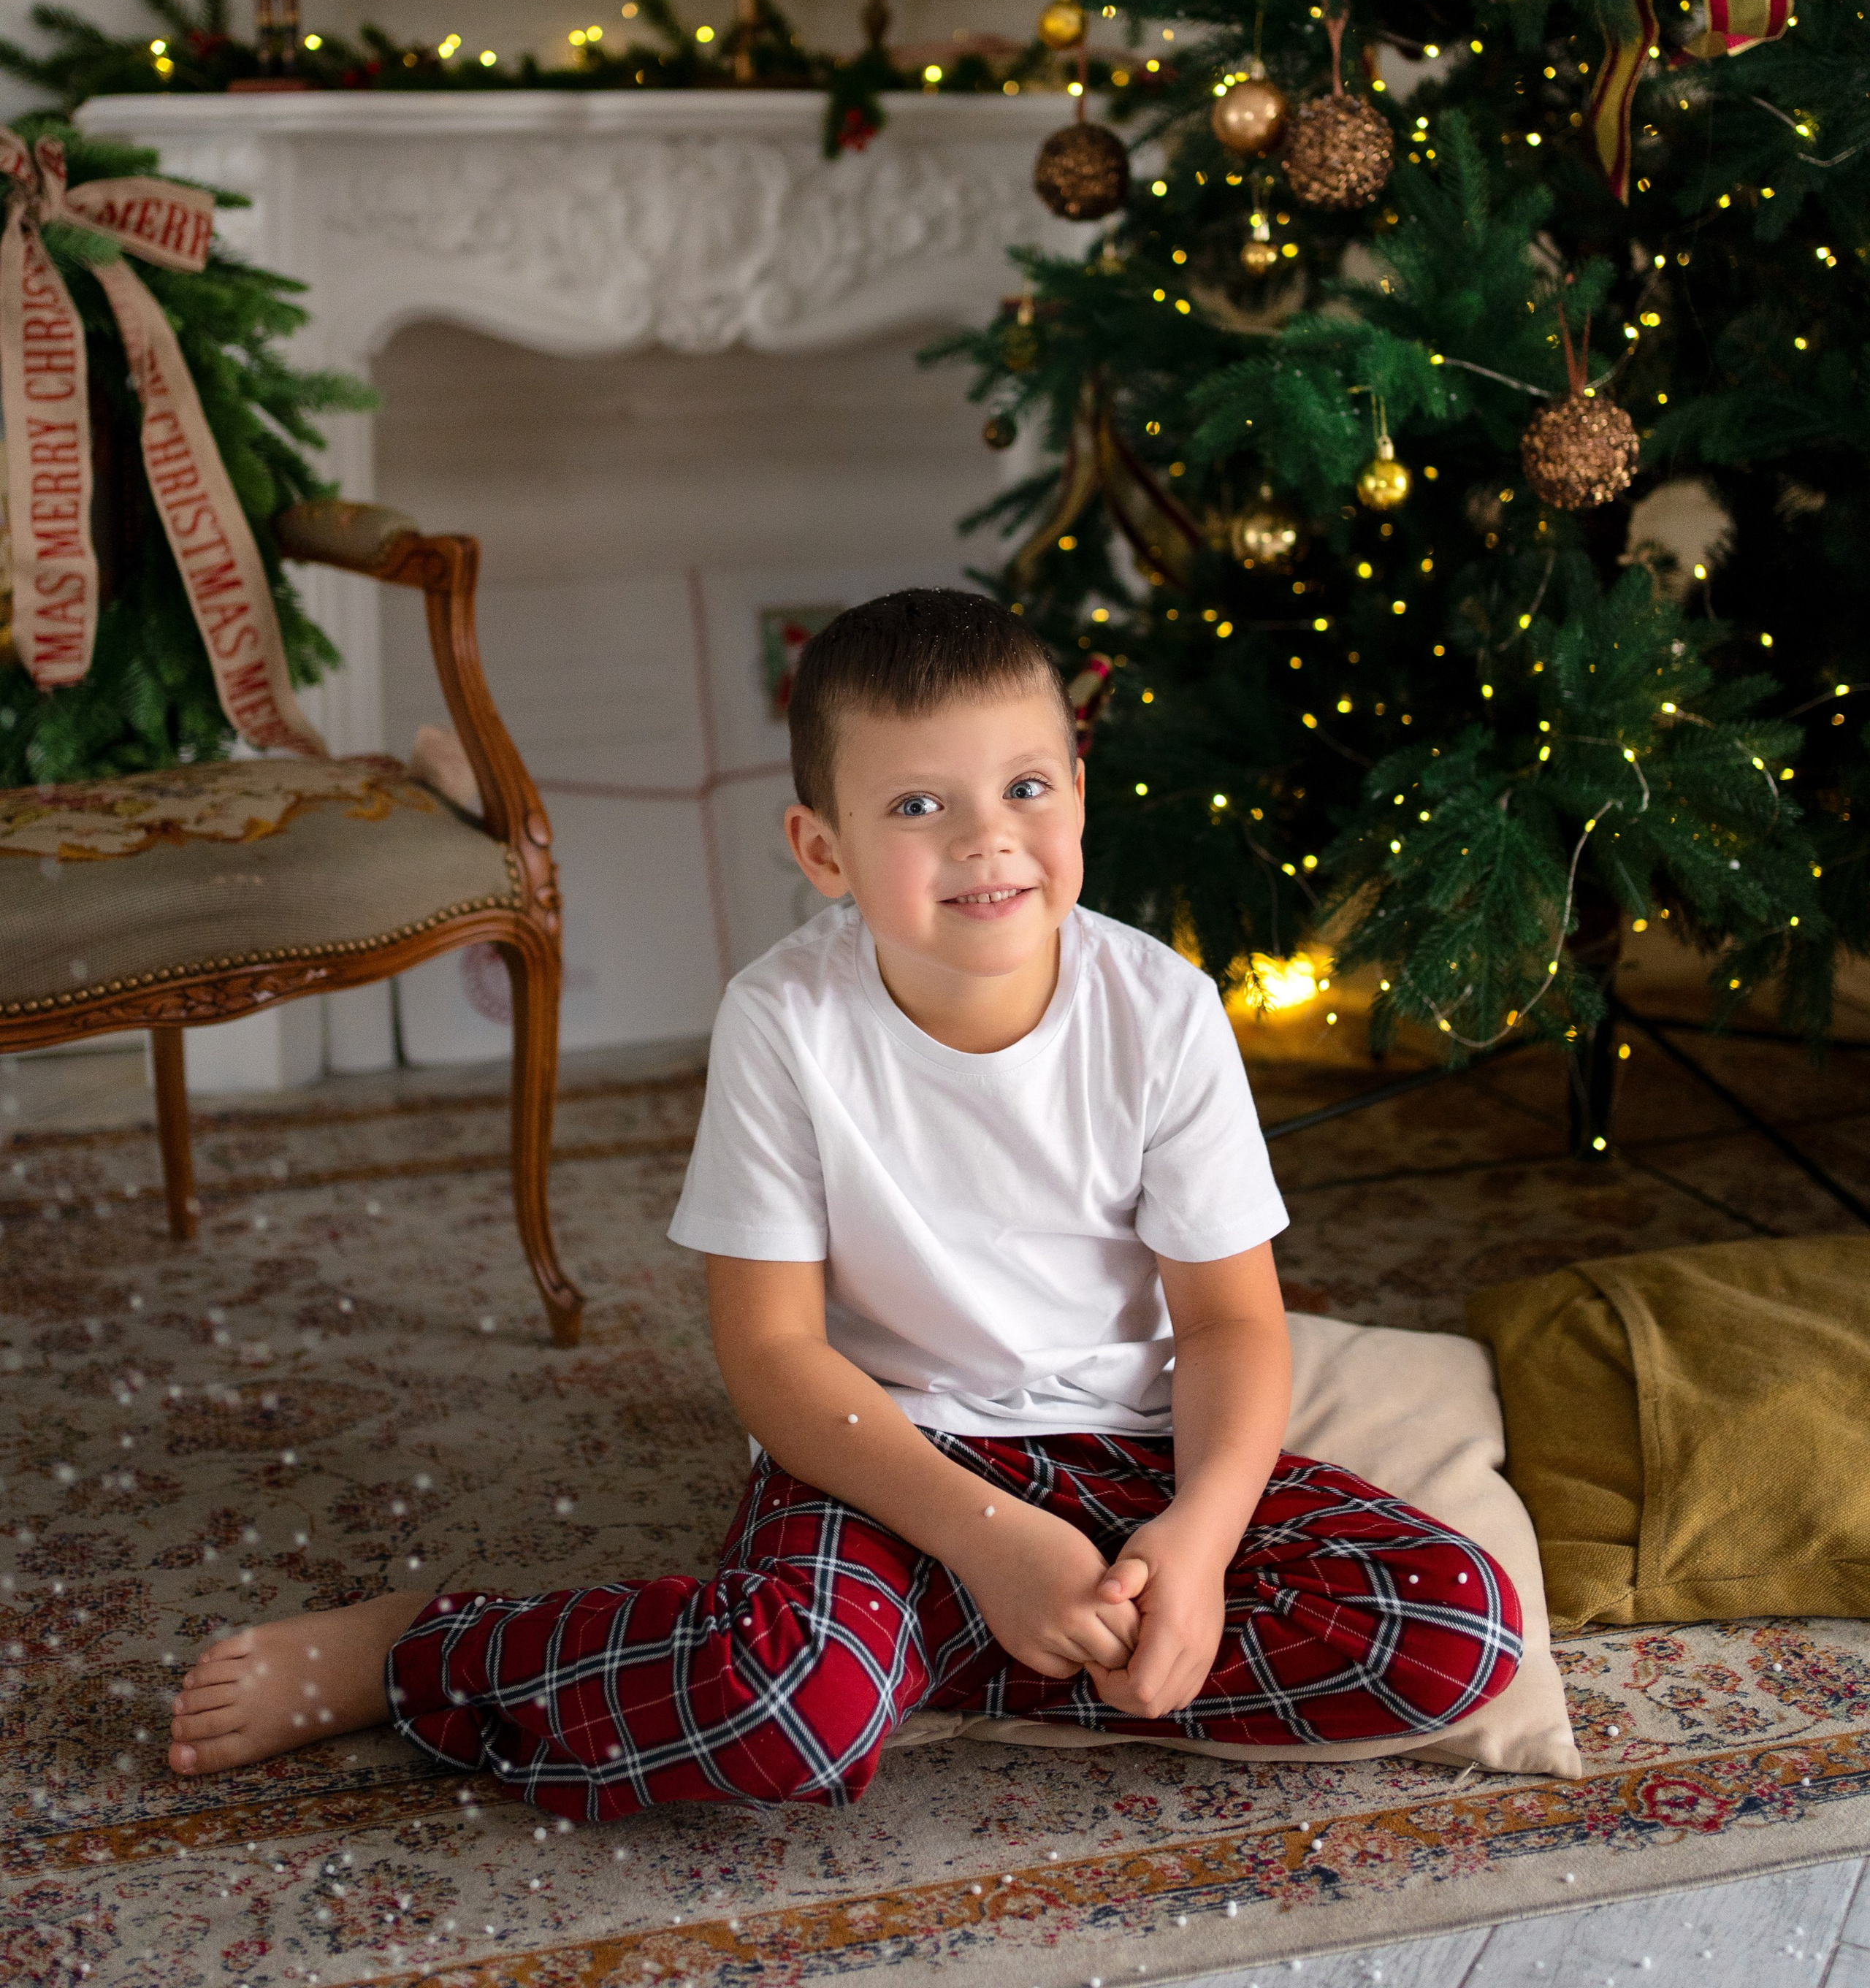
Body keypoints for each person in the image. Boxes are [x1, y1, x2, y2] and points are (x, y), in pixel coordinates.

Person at [167, 588, 1519, 1816]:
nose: (987, 839)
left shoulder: (1162, 1010)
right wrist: (989, 1542)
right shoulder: (783, 1022)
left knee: (1457, 1628)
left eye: (1026, 786)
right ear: (823, 850)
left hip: (1133, 1449)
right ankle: (427, 1651)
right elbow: (771, 1358)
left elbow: (1229, 1324)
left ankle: (926, 1654)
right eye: (918, 807)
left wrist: (1200, 1550)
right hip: (889, 1460)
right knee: (777, 1711)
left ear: (1078, 795)